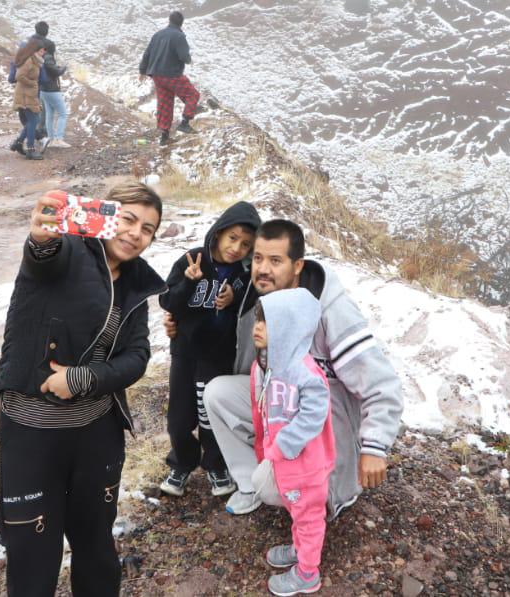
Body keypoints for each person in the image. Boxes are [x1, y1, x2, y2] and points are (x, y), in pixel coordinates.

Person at [0, 182, 166, 597]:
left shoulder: (137, 284)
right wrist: (41, 237)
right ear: (105, 215)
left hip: (95, 436)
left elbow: (137, 356)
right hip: (31, 436)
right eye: (127, 219)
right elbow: (42, 257)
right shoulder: (68, 249)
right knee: (33, 559)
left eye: (148, 229)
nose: (135, 233)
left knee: (96, 549)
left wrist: (82, 379)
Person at [197, 219, 403, 519]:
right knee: (218, 393)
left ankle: (326, 491)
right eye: (258, 258)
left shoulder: (328, 308)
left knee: (275, 484)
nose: (263, 269)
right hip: (283, 409)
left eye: (276, 260)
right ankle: (252, 483)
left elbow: (381, 383)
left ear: (297, 266)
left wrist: (374, 447)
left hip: (326, 422)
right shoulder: (261, 301)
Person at [158, 202, 261, 498]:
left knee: (209, 416)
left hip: (217, 357)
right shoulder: (192, 260)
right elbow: (168, 303)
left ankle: (216, 464)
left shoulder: (245, 273)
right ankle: (181, 463)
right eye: (233, 238)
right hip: (185, 353)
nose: (237, 248)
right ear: (218, 233)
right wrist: (189, 283)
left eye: (245, 244)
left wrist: (235, 296)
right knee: (179, 417)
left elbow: (249, 307)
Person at [250, 289, 336, 596]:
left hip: (306, 465)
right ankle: (300, 549)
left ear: (291, 327)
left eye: (268, 322)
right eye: (258, 319)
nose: (257, 327)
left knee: (309, 516)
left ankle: (307, 574)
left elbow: (314, 414)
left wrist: (285, 443)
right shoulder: (268, 365)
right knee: (296, 509)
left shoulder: (304, 371)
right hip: (286, 462)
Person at [137, 10, 199, 146]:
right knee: (192, 95)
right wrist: (188, 59)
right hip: (172, 74)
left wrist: (142, 71)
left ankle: (164, 137)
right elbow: (184, 56)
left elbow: (147, 54)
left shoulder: (157, 35)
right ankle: (184, 123)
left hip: (157, 76)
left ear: (169, 20)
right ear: (181, 23)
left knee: (165, 103)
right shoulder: (179, 36)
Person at [11, 37, 46, 160]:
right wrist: (32, 83)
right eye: (42, 50)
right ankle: (30, 150)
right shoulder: (29, 61)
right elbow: (19, 75)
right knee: (33, 121)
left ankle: (18, 143)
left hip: (29, 95)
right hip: (25, 96)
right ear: (35, 50)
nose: (44, 53)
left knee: (32, 121)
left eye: (44, 50)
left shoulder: (35, 61)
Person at [39, 39, 70, 149]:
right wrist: (63, 68)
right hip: (51, 90)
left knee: (50, 115)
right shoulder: (48, 58)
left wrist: (57, 67)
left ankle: (51, 140)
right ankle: (59, 139)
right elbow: (55, 72)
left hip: (44, 90)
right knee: (63, 114)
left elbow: (50, 70)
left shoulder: (43, 57)